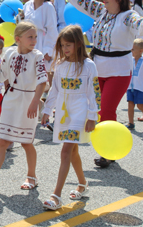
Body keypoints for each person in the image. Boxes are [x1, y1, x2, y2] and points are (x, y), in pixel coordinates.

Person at [48, 0, 143, 168]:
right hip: (98, 69)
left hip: (119, 71)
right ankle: (105, 145)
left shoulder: (128, 16)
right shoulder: (101, 11)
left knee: (108, 109)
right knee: (96, 108)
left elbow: (139, 22)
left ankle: (108, 151)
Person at [0, 22, 47, 192]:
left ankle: (32, 176)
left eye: (35, 36)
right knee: (2, 141)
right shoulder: (9, 53)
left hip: (28, 100)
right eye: (30, 37)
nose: (34, 40)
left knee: (26, 142)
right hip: (10, 100)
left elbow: (43, 81)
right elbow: (1, 75)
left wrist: (35, 102)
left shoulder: (38, 56)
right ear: (18, 39)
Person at [41, 25, 100, 210]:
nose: (65, 49)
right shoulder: (59, 65)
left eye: (69, 45)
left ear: (78, 44)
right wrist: (46, 109)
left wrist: (92, 116)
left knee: (66, 151)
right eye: (62, 45)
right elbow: (55, 89)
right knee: (72, 151)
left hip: (80, 113)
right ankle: (82, 183)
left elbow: (94, 93)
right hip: (63, 113)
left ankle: (56, 196)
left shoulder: (89, 65)